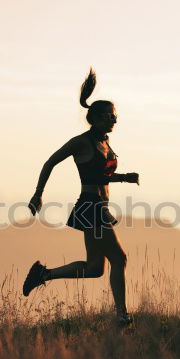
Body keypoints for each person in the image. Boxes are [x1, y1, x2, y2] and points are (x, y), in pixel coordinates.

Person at [22, 68, 140, 325]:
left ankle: (43, 274)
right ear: (96, 118)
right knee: (119, 258)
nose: (115, 120)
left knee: (95, 268)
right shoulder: (81, 142)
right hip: (91, 208)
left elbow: (101, 176)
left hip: (100, 207)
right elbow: (50, 162)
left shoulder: (105, 143)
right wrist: (38, 193)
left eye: (116, 115)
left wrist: (124, 177)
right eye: (110, 116)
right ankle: (122, 315)